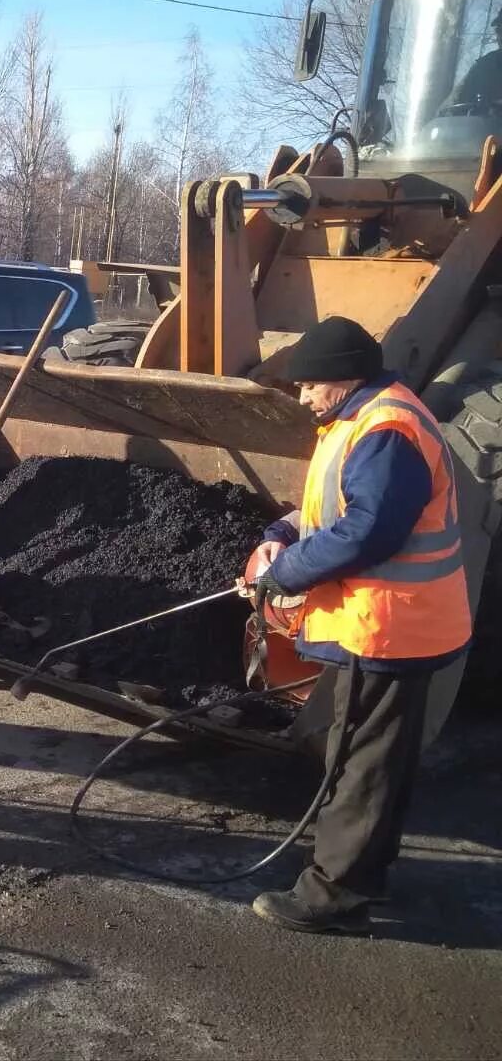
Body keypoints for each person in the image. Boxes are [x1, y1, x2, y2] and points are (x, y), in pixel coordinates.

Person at [244, 315, 470, 935]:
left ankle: (334, 895)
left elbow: (369, 529)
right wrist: (278, 535)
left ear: (340, 379)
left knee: (363, 761)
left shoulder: (389, 430)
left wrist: (287, 573)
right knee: (369, 754)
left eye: (307, 386)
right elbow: (331, 506)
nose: (302, 397)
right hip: (383, 626)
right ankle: (365, 871)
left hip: (392, 628)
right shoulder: (358, 420)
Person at [449, 9, 502, 109]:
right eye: (499, 30)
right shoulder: (484, 66)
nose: (500, 36)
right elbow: (454, 106)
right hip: (486, 124)